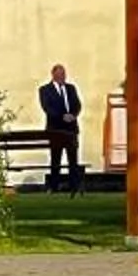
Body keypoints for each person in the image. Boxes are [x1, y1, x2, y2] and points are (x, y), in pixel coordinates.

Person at [38, 65, 85, 194]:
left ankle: (74, 186)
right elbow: (47, 107)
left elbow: (77, 104)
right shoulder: (45, 90)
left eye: (63, 74)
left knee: (73, 159)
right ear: (53, 75)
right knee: (55, 159)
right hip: (56, 128)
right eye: (59, 74)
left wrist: (73, 115)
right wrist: (62, 116)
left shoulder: (71, 88)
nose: (62, 77)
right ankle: (54, 186)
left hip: (71, 129)